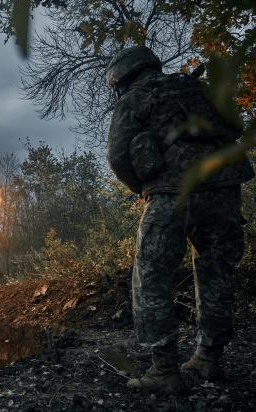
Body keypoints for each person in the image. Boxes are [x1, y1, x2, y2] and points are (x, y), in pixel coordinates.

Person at [105, 45, 255, 393]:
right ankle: (208, 358)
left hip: (173, 194)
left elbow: (117, 155)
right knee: (217, 272)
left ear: (121, 78)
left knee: (152, 274)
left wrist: (145, 187)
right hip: (224, 188)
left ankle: (165, 370)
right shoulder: (196, 88)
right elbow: (234, 125)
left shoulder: (134, 99)